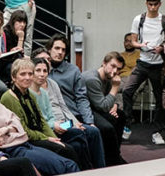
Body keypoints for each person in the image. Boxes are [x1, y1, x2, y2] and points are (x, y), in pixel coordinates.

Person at [0, 61, 78, 175]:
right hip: (13, 148)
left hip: (23, 143)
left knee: (70, 155)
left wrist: (7, 129)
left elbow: (18, 123)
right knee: (68, 164)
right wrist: (6, 129)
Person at [43, 35, 121, 165]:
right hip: (57, 118)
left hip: (74, 114)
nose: (60, 52)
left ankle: (104, 166)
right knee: (87, 133)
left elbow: (81, 98)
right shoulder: (42, 71)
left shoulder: (72, 70)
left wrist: (88, 120)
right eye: (57, 48)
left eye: (63, 50)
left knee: (97, 128)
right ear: (49, 50)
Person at [121, 0, 165, 145]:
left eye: (155, 4)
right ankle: (127, 125)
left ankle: (157, 132)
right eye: (150, 4)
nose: (152, 8)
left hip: (159, 65)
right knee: (127, 91)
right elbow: (132, 41)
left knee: (161, 99)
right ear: (146, 3)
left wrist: (162, 47)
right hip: (143, 63)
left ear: (160, 4)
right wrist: (141, 45)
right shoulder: (139, 19)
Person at [31, 56, 105, 169]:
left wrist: (75, 122)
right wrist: (54, 125)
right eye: (38, 70)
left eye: (45, 71)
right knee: (80, 137)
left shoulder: (52, 84)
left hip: (65, 122)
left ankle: (100, 168)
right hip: (52, 127)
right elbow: (42, 118)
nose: (42, 74)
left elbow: (63, 106)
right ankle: (88, 169)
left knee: (93, 131)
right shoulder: (32, 91)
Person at [83, 52, 131, 161]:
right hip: (84, 110)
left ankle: (114, 154)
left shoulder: (108, 77)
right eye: (112, 66)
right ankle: (112, 158)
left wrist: (114, 105)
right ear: (104, 63)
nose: (115, 71)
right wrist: (115, 87)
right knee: (107, 127)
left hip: (96, 106)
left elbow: (108, 99)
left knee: (120, 115)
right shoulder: (92, 79)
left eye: (118, 69)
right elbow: (103, 106)